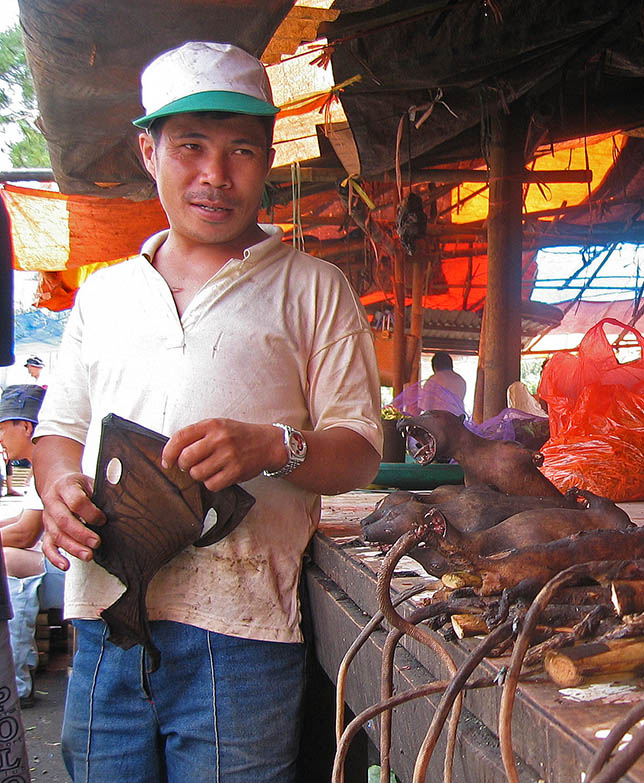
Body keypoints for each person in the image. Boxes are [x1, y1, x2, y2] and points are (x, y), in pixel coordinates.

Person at [32, 41, 382, 782]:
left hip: (244, 631)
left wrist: (272, 446)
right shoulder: (104, 294)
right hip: (105, 621)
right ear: (147, 151)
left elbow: (357, 451)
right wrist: (58, 490)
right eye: (190, 147)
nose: (215, 176)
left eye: (241, 151)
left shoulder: (314, 288)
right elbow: (58, 434)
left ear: (267, 158)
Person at [0, 383, 64, 707]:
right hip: (60, 560)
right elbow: (22, 523)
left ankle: (17, 682)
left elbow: (26, 534)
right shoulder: (38, 462)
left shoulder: (45, 462)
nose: (0, 439)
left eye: (2, 428)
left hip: (71, 568)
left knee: (7, 561)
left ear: (25, 426)